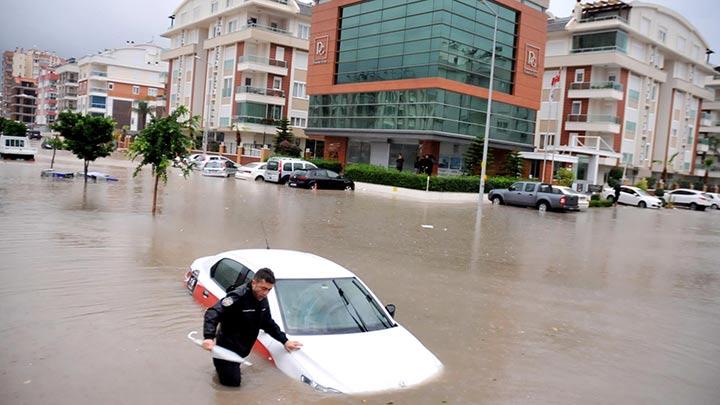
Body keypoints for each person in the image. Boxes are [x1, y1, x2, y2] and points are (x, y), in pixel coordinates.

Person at [202, 268, 302, 387]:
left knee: (229, 379)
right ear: (254, 282)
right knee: (232, 387)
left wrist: (285, 341)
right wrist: (208, 337)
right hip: (226, 351)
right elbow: (213, 313)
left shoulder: (262, 299)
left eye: (269, 290)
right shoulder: (238, 296)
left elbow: (267, 323)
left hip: (241, 350)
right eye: (263, 288)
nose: (265, 293)